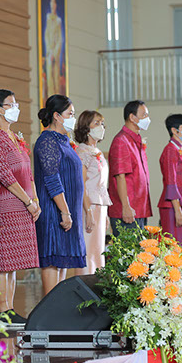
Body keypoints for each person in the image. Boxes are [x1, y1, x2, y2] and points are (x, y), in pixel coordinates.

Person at [0, 89, 40, 323]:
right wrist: (28, 201)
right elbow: (5, 176)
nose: (16, 108)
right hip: (6, 205)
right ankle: (2, 309)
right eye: (10, 104)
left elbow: (28, 173)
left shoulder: (14, 137)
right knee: (4, 258)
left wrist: (35, 201)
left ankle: (10, 309)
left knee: (14, 262)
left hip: (24, 204)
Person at [33, 95, 86, 295]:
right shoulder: (47, 141)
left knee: (62, 262)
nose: (73, 118)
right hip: (54, 211)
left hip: (66, 212)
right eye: (69, 114)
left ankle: (57, 308)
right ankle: (50, 310)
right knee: (53, 260)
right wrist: (64, 211)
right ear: (57, 116)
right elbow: (51, 178)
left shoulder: (64, 141)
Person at [107, 100, 152, 236]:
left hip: (139, 208)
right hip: (128, 210)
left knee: (141, 249)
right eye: (144, 115)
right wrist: (126, 206)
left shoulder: (136, 140)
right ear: (132, 117)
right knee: (129, 249)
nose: (147, 119)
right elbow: (120, 176)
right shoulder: (121, 141)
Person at [73, 110, 111, 273]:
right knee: (88, 249)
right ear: (86, 127)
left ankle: (97, 282)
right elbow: (81, 184)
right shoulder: (82, 152)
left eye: (102, 123)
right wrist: (88, 211)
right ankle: (86, 283)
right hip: (88, 204)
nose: (101, 127)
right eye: (96, 123)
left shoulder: (97, 152)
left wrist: (105, 213)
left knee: (98, 249)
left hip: (100, 206)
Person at [157, 114, 182, 249]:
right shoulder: (170, 150)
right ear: (174, 130)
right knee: (176, 246)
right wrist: (177, 210)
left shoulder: (179, 149)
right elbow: (171, 181)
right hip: (173, 205)